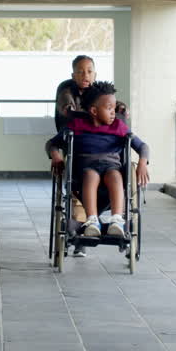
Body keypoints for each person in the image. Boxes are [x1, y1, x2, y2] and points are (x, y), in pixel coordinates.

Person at [48, 81, 151, 238]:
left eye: (114, 108)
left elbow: (142, 146)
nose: (113, 113)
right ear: (94, 111)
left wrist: (142, 163)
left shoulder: (118, 126)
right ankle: (92, 220)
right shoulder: (76, 125)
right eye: (109, 108)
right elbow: (52, 144)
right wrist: (56, 156)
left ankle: (116, 219)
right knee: (91, 175)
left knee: (115, 176)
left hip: (112, 166)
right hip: (86, 168)